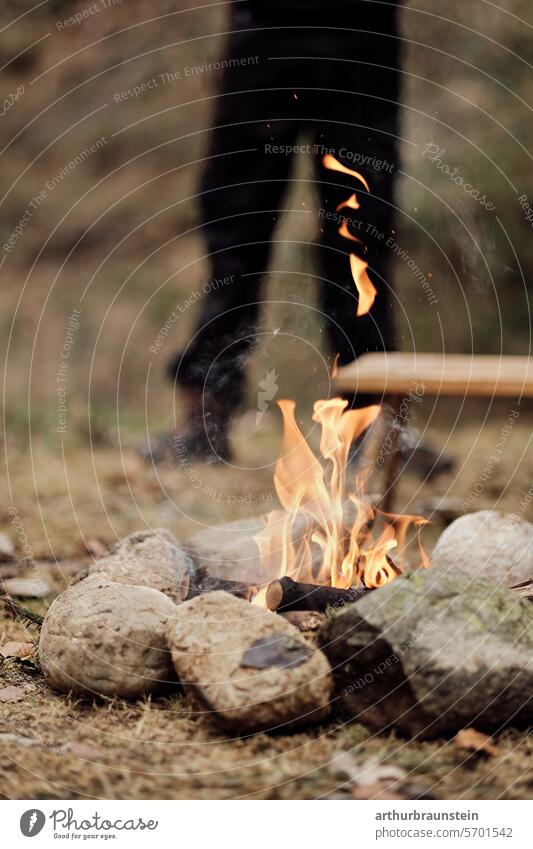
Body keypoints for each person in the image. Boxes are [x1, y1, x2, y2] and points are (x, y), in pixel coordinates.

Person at [153, 0, 404, 464]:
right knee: (236, 229)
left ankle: (371, 421)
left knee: (362, 234)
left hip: (364, 29)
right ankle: (207, 416)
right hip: (265, 27)